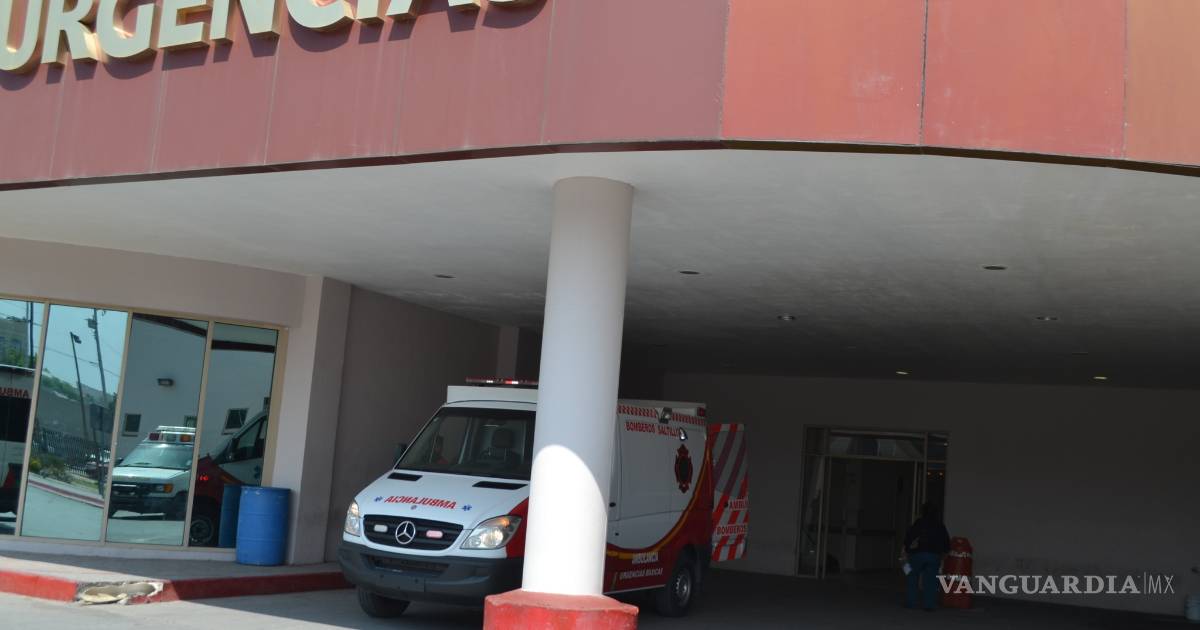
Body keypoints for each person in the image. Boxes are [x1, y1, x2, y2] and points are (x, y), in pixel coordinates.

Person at [903, 502, 951, 611]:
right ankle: (929, 605)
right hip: (934, 556)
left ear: (922, 512)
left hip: (917, 555)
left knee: (912, 577)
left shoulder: (918, 523)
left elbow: (908, 539)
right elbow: (946, 544)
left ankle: (911, 603)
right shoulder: (940, 525)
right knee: (931, 580)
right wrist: (942, 556)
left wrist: (906, 551)